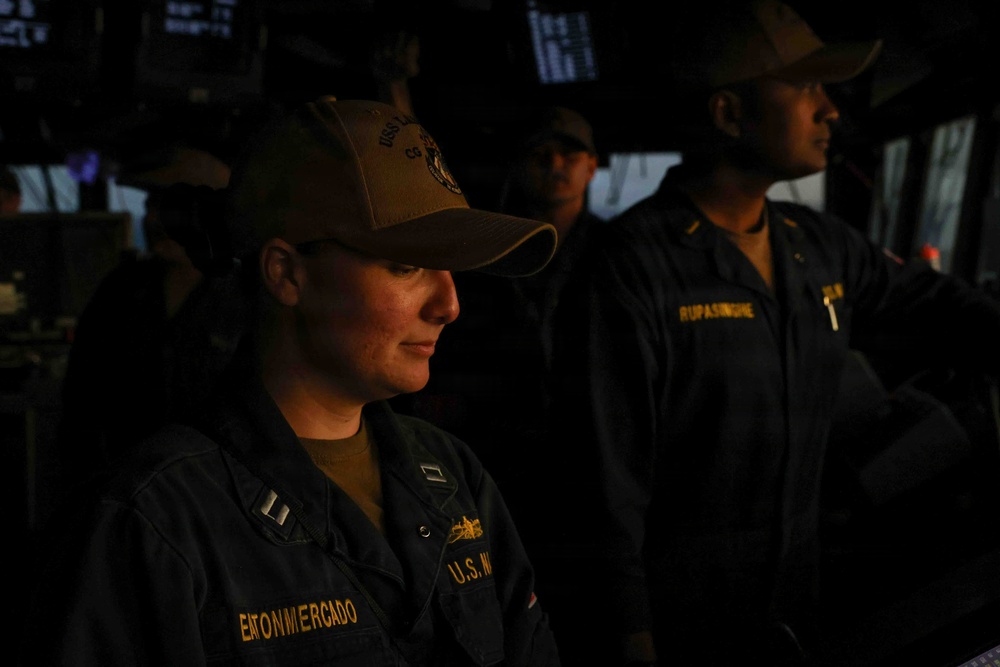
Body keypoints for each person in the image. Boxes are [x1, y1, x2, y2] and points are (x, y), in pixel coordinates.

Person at [19, 97, 561, 666]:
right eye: (406, 266)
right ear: (286, 273)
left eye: (449, 267)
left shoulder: (455, 477)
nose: (449, 304)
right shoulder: (155, 522)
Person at [578, 1, 1000, 665]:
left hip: (796, 600)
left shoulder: (817, 245)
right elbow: (604, 483)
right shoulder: (633, 266)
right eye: (805, 88)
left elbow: (932, 300)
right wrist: (631, 637)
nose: (830, 109)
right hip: (681, 616)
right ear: (728, 114)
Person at [391, 104, 606, 664]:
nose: (555, 164)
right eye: (541, 154)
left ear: (593, 167)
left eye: (569, 153)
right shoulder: (486, 254)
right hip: (501, 458)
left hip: (594, 464)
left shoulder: (618, 255)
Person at [54, 146, 243, 492]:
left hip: (216, 499)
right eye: (151, 204)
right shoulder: (122, 291)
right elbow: (81, 407)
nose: (154, 218)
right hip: (125, 494)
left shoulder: (247, 299)